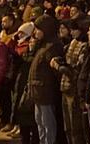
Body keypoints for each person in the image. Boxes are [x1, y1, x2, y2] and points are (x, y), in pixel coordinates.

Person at [28, 14, 65, 144]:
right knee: (40, 122)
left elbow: (54, 71)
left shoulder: (53, 46)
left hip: (46, 91)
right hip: (38, 91)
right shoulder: (43, 45)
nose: (35, 32)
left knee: (47, 123)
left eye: (38, 29)